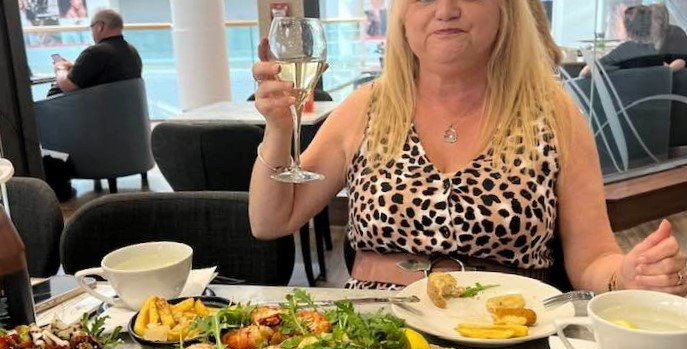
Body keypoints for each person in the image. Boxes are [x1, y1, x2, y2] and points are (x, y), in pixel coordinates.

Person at [249, 0, 686, 295]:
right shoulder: (366, 108)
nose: (446, 10)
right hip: (374, 336)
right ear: (403, 18)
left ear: (504, 10)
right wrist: (278, 129)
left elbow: (592, 258)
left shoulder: (554, 115)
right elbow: (271, 221)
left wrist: (627, 276)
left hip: (507, 338)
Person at [51, 8, 142, 94]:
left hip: (94, 105)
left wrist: (60, 68)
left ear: (99, 26)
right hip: (125, 104)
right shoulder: (133, 52)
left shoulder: (95, 52)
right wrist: (74, 67)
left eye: (92, 27)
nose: (92, 32)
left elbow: (67, 86)